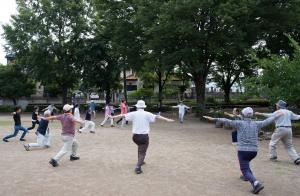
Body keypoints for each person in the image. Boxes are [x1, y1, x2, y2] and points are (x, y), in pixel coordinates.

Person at [204, 107, 283, 194]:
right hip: (254, 151)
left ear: (242, 114)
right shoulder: (256, 123)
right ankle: (247, 177)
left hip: (243, 151)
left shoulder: (239, 123)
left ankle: (256, 184)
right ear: (251, 115)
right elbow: (266, 121)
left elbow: (226, 120)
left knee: (244, 169)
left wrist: (213, 119)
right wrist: (276, 116)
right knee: (246, 164)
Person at [112, 100, 174, 174]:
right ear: (144, 107)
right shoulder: (147, 114)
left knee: (140, 147)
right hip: (144, 137)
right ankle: (138, 167)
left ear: (137, 106)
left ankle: (141, 161)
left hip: (135, 137)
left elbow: (123, 115)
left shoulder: (133, 113)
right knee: (142, 152)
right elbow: (157, 116)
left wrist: (113, 116)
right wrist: (167, 119)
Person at [255, 100, 300, 165]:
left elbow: (269, 115)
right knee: (289, 146)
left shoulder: (278, 112)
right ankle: (296, 158)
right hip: (289, 129)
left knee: (272, 144)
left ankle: (273, 157)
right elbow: (297, 117)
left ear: (279, 106)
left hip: (280, 129)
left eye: (277, 105)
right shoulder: (289, 112)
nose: (276, 106)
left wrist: (260, 113)